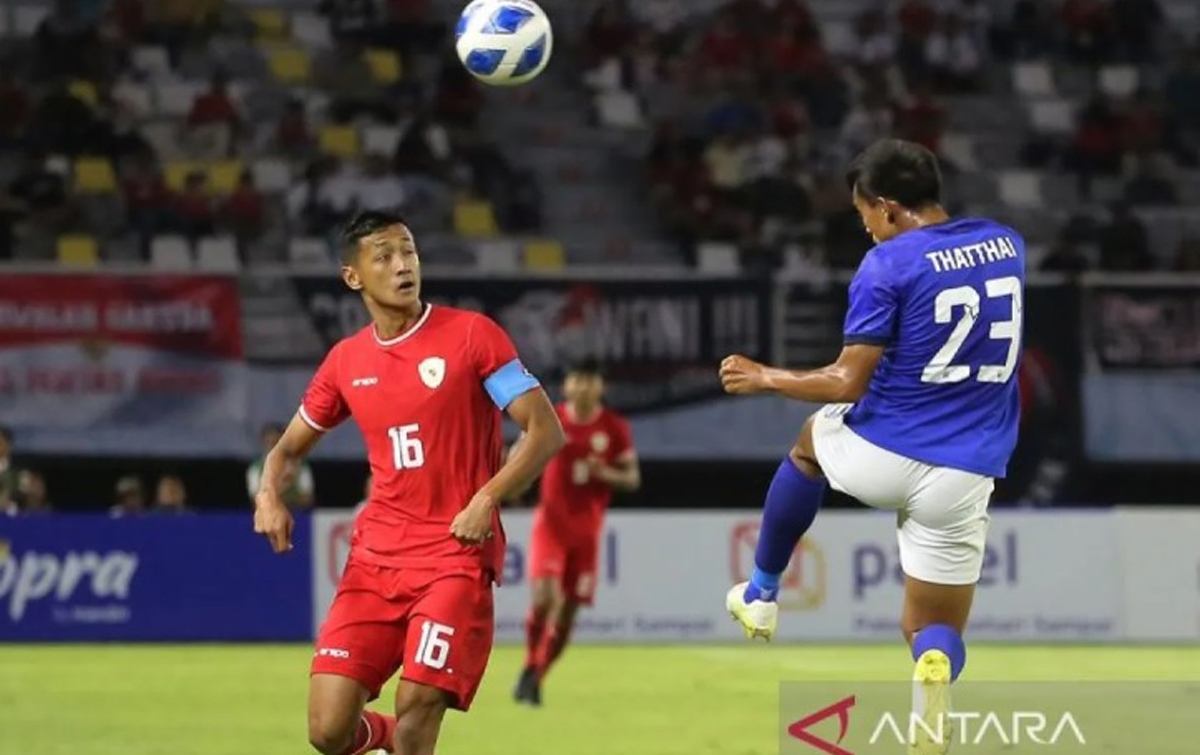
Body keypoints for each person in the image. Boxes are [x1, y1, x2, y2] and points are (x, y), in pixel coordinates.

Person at [720, 139, 1025, 755]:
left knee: (808, 446)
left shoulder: (887, 265)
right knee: (930, 627)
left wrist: (766, 378)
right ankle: (933, 676)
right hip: (964, 471)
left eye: (864, 216)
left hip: (883, 451)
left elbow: (845, 381)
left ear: (887, 208)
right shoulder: (1006, 244)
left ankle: (761, 594)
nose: (866, 230)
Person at [253, 210, 565, 755]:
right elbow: (287, 449)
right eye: (384, 256)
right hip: (375, 562)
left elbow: (544, 431)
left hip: (454, 556)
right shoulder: (346, 361)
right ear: (354, 277)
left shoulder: (473, 335)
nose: (403, 266)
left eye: (409, 251)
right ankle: (392, 743)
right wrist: (269, 493)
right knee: (328, 731)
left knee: (419, 705)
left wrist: (486, 498)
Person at [512, 359, 640, 706]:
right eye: (577, 379)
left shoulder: (613, 427)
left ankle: (538, 674)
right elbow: (520, 451)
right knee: (544, 600)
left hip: (587, 534)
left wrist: (604, 473)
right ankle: (529, 663)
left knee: (567, 612)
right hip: (550, 526)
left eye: (590, 380)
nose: (583, 386)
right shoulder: (552, 417)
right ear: (567, 385)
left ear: (601, 386)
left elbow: (631, 478)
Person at [247, 422, 315, 509]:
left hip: (297, 516)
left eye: (276, 443)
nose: (273, 447)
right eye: (269, 443)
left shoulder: (301, 467)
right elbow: (255, 500)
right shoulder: (255, 468)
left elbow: (307, 499)